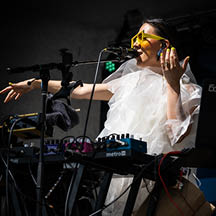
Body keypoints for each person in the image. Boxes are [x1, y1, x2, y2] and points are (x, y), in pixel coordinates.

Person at [0, 18, 210, 215]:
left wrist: (173, 86)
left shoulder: (188, 90)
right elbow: (81, 91)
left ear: (164, 46)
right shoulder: (130, 81)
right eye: (134, 38)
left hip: (162, 184)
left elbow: (177, 136)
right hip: (123, 176)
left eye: (143, 38)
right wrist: (37, 84)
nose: (135, 44)